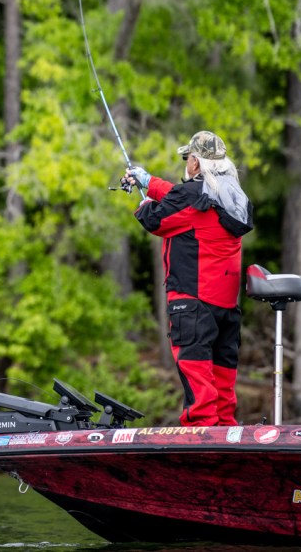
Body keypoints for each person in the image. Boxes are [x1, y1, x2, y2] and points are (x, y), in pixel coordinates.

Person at [124, 131, 254, 427]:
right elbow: (184, 199)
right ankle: (224, 432)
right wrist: (148, 182)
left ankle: (201, 434)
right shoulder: (234, 196)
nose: (186, 163)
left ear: (196, 163)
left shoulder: (192, 196)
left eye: (188, 157)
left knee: (195, 369)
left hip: (192, 300)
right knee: (222, 372)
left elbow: (156, 220)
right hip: (226, 305)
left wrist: (144, 203)